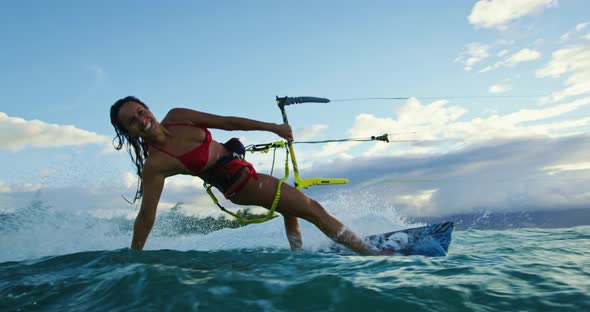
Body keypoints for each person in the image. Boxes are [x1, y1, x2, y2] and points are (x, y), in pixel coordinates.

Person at [110, 96, 381, 255]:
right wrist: (135, 258)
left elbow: (228, 123)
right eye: (132, 121)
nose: (141, 119)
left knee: (291, 209)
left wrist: (272, 128)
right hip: (241, 185)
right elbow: (146, 216)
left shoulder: (178, 116)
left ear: (148, 109)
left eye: (140, 111)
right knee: (314, 210)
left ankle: (299, 257)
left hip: (243, 170)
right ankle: (374, 255)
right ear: (129, 132)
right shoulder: (156, 164)